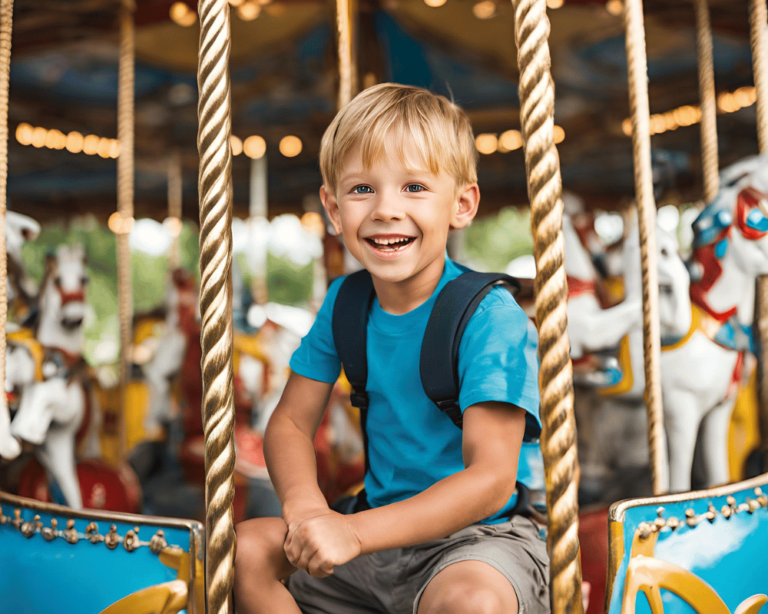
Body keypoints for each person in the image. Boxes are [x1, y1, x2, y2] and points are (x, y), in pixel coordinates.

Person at [234, 83, 549, 614]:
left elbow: (490, 480)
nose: (385, 210)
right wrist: (308, 509)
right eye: (361, 190)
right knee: (244, 551)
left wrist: (354, 533)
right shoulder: (347, 303)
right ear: (334, 210)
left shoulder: (490, 317)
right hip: (374, 531)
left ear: (462, 204)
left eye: (414, 187)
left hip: (480, 539)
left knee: (470, 601)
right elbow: (289, 424)